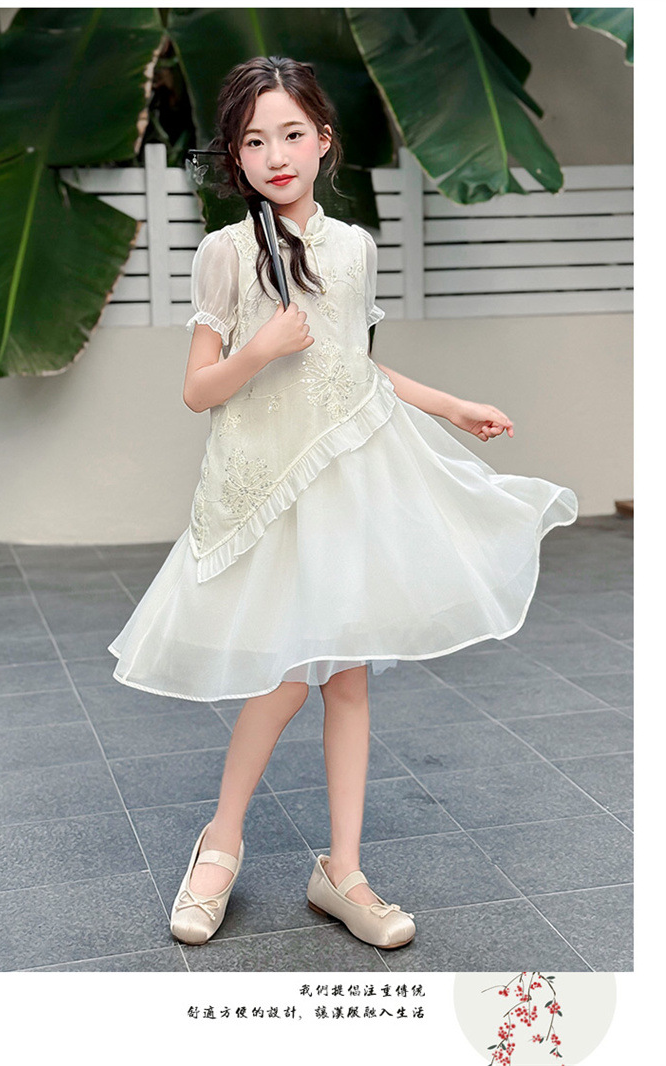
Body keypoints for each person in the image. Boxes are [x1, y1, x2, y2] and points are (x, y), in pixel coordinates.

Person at [108, 56, 578, 951]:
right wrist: (259, 349)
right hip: (265, 487)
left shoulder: (354, 248)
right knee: (285, 678)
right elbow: (198, 390)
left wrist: (451, 405)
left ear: (324, 140)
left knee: (348, 677)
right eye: (255, 141)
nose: (276, 155)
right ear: (235, 157)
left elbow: (352, 369)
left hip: (342, 481)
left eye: (292, 134)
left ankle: (344, 872)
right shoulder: (225, 254)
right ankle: (220, 845)